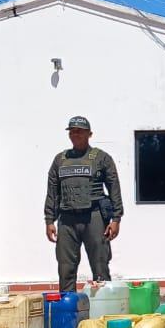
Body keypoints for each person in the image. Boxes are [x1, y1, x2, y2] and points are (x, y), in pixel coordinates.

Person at [44, 116, 124, 292]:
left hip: (93, 216)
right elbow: (52, 192)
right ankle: (69, 311)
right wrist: (49, 220)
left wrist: (116, 218)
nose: (75, 134)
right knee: (66, 268)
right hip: (66, 219)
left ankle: (104, 310)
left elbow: (114, 189)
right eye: (72, 131)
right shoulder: (60, 160)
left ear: (89, 134)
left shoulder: (101, 158)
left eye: (79, 131)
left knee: (100, 265)